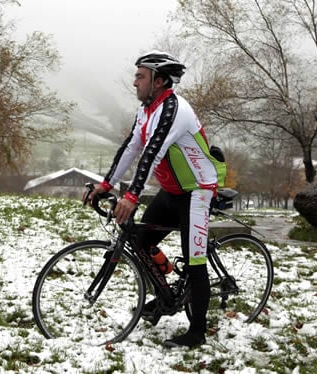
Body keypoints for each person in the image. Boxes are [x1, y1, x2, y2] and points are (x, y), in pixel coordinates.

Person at [86, 51, 226, 348]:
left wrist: (132, 196)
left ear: (159, 81)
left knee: (195, 261)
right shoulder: (147, 110)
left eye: (141, 76)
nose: (134, 81)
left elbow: (152, 153)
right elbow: (131, 148)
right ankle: (167, 295)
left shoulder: (175, 109)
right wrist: (105, 184)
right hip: (174, 190)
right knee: (141, 241)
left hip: (198, 189)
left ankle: (197, 332)